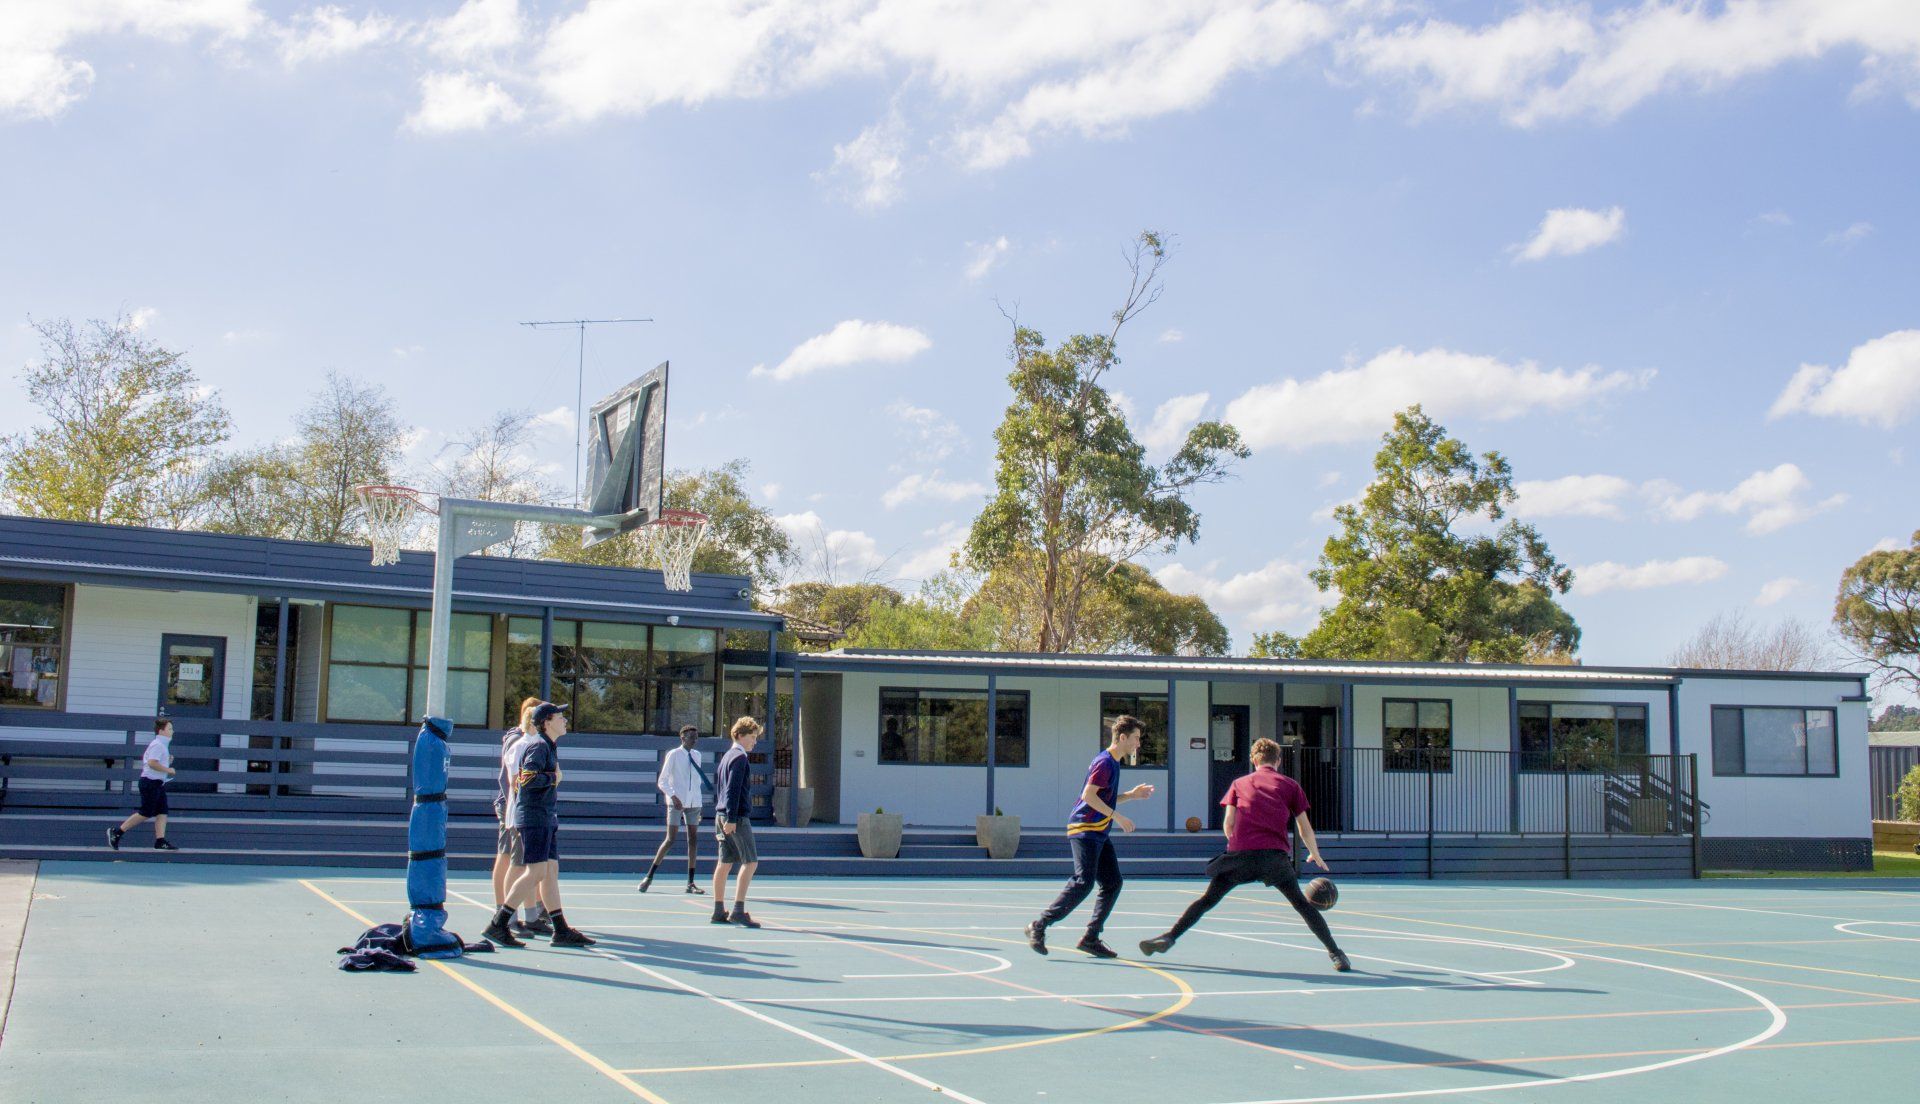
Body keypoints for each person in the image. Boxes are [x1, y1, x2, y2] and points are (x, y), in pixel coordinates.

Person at [1138, 737, 1350, 971]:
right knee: (1302, 905)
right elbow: (1304, 828)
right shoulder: (1290, 785)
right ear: (1278, 760)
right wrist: (1315, 853)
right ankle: (1336, 954)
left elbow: (1228, 824)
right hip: (1273, 858)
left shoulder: (1239, 784)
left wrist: (1237, 847)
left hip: (1241, 855)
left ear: (1253, 760)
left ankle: (1170, 936)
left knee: (1207, 900)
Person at [1026, 715, 1156, 958]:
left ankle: (1091, 938)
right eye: (1136, 738)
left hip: (1098, 831)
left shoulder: (1114, 763)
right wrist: (1117, 816)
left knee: (1112, 882)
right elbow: (1088, 796)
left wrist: (1131, 795)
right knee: (1083, 882)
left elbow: (1103, 798)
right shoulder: (1105, 762)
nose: (1139, 744)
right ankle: (1039, 925)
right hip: (1084, 829)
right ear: (1123, 737)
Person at [486, 702, 595, 948]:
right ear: (546, 722)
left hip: (545, 815)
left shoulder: (548, 746)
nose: (565, 721)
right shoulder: (538, 746)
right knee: (535, 871)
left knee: (550, 871)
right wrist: (553, 777)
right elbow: (525, 779)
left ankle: (560, 928)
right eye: (560, 717)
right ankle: (499, 923)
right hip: (534, 817)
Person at [495, 698, 552, 937]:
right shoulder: (520, 743)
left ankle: (529, 914)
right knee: (514, 863)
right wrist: (552, 778)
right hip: (520, 812)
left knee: (528, 865)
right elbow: (517, 780)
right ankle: (506, 918)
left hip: (527, 811)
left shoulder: (533, 743)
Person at [710, 716, 764, 928]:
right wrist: (732, 818)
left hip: (720, 814)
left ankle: (717, 909)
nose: (754, 742)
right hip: (735, 817)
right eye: (752, 737)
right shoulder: (739, 758)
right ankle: (738, 910)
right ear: (740, 735)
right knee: (750, 861)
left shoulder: (726, 757)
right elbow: (733, 790)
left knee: (724, 862)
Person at [640, 725, 707, 894]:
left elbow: (697, 781)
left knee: (693, 840)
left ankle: (690, 882)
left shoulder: (697, 755)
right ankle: (649, 876)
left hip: (694, 803)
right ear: (683, 738)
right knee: (670, 839)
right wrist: (674, 797)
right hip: (676, 802)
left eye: (696, 737)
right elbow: (662, 781)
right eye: (692, 737)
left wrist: (699, 802)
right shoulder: (674, 755)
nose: (695, 740)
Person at [108, 716, 179, 851]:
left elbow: (153, 762)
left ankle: (160, 840)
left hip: (158, 783)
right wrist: (169, 769)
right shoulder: (158, 745)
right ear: (161, 731)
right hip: (150, 783)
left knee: (162, 811)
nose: (172, 731)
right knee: (146, 812)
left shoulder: (162, 745)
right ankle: (117, 832)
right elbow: (152, 763)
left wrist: (166, 762)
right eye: (170, 729)